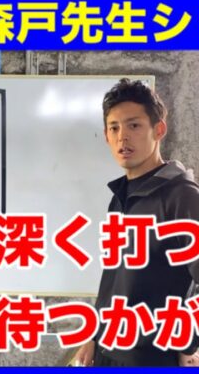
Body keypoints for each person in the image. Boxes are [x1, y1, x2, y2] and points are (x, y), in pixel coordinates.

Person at [74, 79, 199, 367]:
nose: (123, 137)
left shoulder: (181, 196)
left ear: (159, 130)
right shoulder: (121, 196)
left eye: (134, 125)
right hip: (108, 352)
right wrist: (95, 335)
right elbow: (113, 278)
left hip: (151, 357)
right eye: (114, 128)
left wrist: (188, 341)